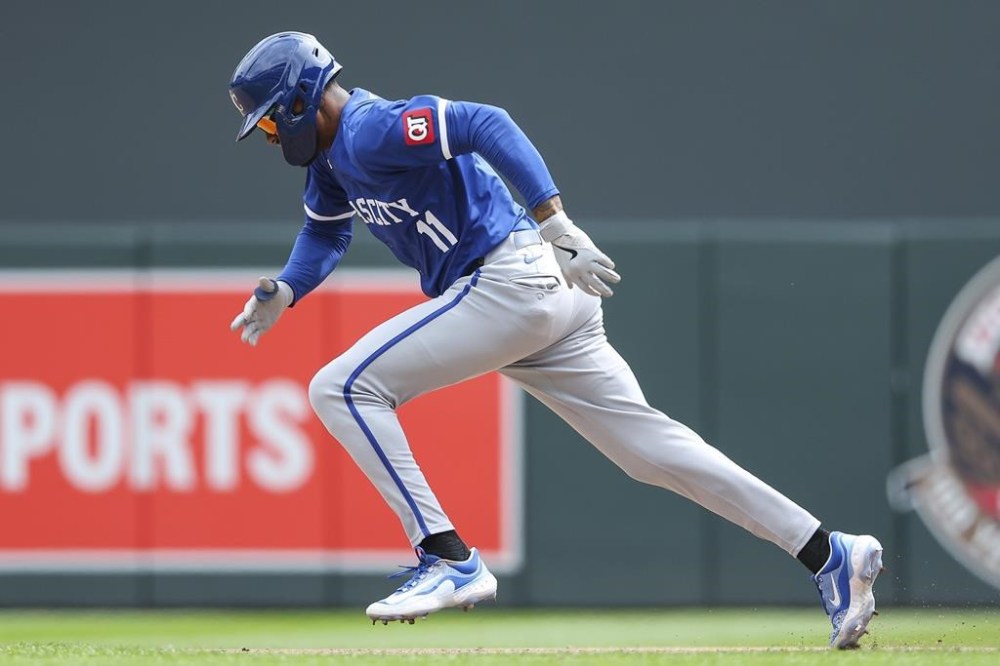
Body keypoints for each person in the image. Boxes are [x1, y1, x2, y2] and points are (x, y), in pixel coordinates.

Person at [227, 31, 884, 648]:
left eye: (266, 121)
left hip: (510, 280)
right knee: (649, 453)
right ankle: (829, 552)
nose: (267, 135)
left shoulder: (371, 128)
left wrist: (557, 223)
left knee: (342, 387)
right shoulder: (333, 163)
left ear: (296, 99)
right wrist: (289, 287)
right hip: (536, 301)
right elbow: (326, 231)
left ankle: (447, 557)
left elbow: (487, 122)